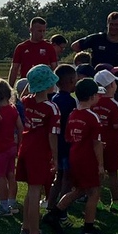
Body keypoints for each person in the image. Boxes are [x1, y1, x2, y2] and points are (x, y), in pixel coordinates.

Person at [44, 77, 107, 234]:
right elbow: (96, 143)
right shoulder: (92, 117)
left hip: (74, 155)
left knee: (78, 190)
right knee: (94, 192)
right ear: (92, 96)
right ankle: (88, 226)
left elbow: (69, 137)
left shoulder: (73, 114)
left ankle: (54, 214)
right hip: (87, 158)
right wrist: (100, 165)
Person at [17, 64, 60, 234]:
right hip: (40, 152)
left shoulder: (25, 101)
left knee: (31, 190)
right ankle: (35, 233)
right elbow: (52, 135)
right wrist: (55, 158)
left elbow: (21, 96)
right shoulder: (52, 107)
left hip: (25, 148)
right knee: (35, 191)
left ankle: (26, 226)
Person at [0, 77, 23, 217]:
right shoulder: (13, 109)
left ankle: (3, 206)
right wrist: (19, 144)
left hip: (1, 149)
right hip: (12, 147)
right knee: (11, 174)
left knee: (0, 177)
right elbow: (20, 128)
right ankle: (12, 202)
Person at [71, 12, 118, 87]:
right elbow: (75, 46)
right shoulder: (97, 39)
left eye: (116, 25)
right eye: (111, 24)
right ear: (107, 24)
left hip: (113, 86)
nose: (113, 27)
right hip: (95, 85)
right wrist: (84, 63)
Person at [93, 69, 118, 212]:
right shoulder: (114, 104)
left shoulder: (93, 101)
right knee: (113, 173)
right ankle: (115, 201)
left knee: (97, 172)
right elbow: (116, 125)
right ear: (112, 85)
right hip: (112, 143)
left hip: (96, 142)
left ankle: (97, 199)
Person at [47, 64, 78, 210]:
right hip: (66, 144)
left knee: (57, 177)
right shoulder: (71, 101)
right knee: (67, 178)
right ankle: (61, 209)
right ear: (72, 80)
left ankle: (50, 205)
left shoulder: (54, 98)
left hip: (55, 142)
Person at [8, 17, 60, 86]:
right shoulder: (21, 47)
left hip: (43, 85)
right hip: (26, 83)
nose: (42, 34)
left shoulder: (49, 47)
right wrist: (10, 87)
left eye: (44, 31)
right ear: (31, 30)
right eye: (39, 31)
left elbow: (55, 68)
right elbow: (14, 68)